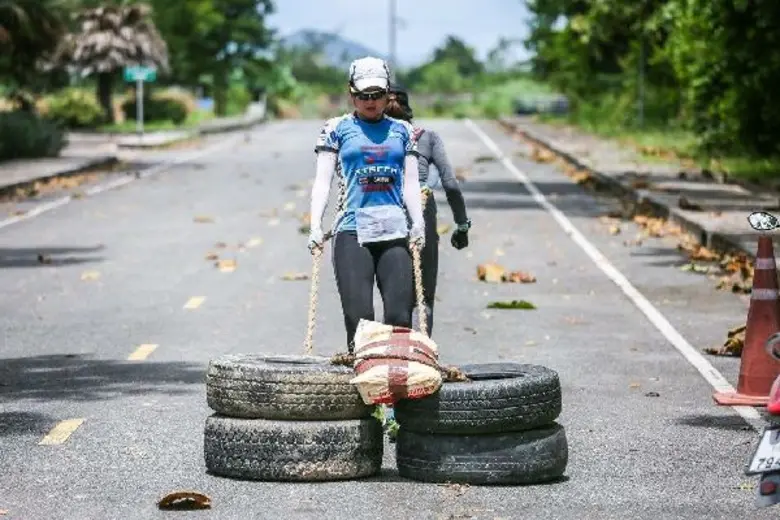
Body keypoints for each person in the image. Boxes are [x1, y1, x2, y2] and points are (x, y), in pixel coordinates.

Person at [307, 56, 425, 353]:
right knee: (361, 319)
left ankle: (399, 390)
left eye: (377, 95)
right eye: (363, 96)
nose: (370, 102)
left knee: (399, 317)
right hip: (351, 230)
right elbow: (323, 181)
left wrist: (418, 222)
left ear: (388, 94)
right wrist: (315, 225)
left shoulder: (403, 131)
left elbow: (410, 182)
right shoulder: (336, 128)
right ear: (351, 93)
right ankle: (365, 391)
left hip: (394, 231)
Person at [384, 85, 471, 336]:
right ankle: (420, 358)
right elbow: (451, 186)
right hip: (421, 209)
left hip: (384, 212)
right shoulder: (427, 138)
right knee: (422, 297)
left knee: (393, 298)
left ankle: (391, 357)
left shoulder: (372, 138)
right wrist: (462, 226)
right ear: (409, 110)